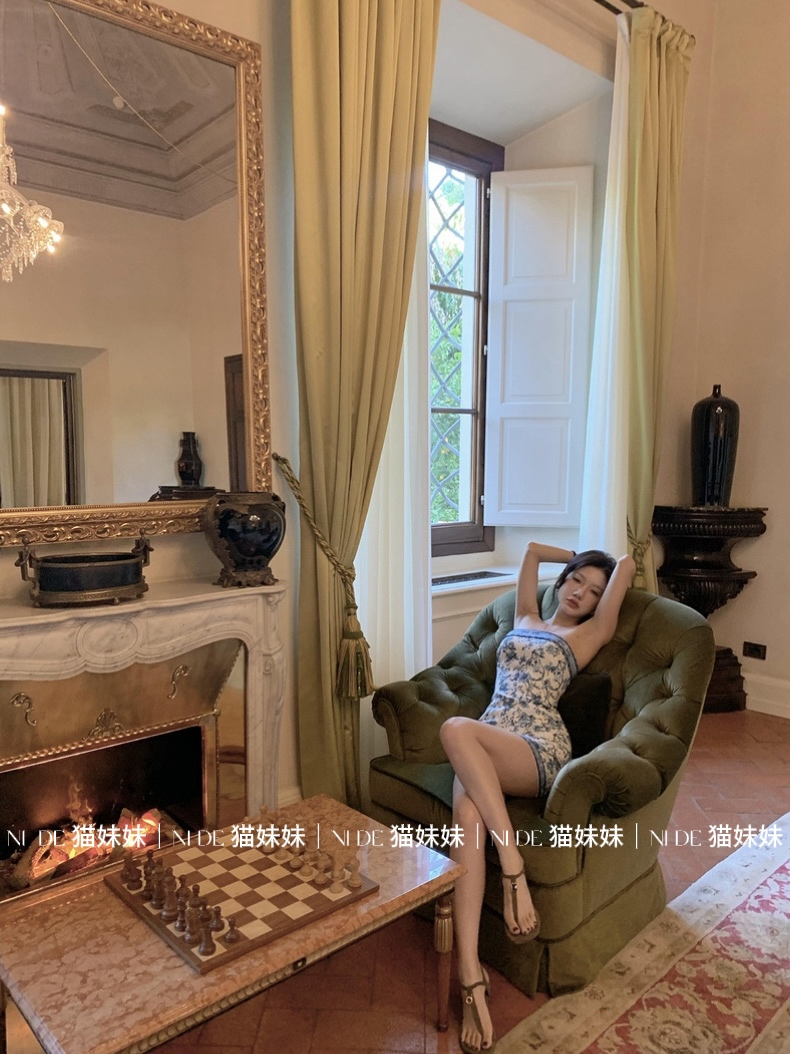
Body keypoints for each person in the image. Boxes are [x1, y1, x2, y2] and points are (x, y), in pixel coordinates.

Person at [439, 542, 636, 1053]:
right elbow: (529, 554)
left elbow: (628, 565)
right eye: (577, 580)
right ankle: (470, 976)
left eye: (594, 591)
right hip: (488, 740)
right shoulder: (526, 614)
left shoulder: (590, 633)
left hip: (536, 745)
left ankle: (512, 866)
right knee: (466, 813)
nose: (581, 593)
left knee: (455, 729)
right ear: (563, 579)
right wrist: (570, 554)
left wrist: (606, 564)